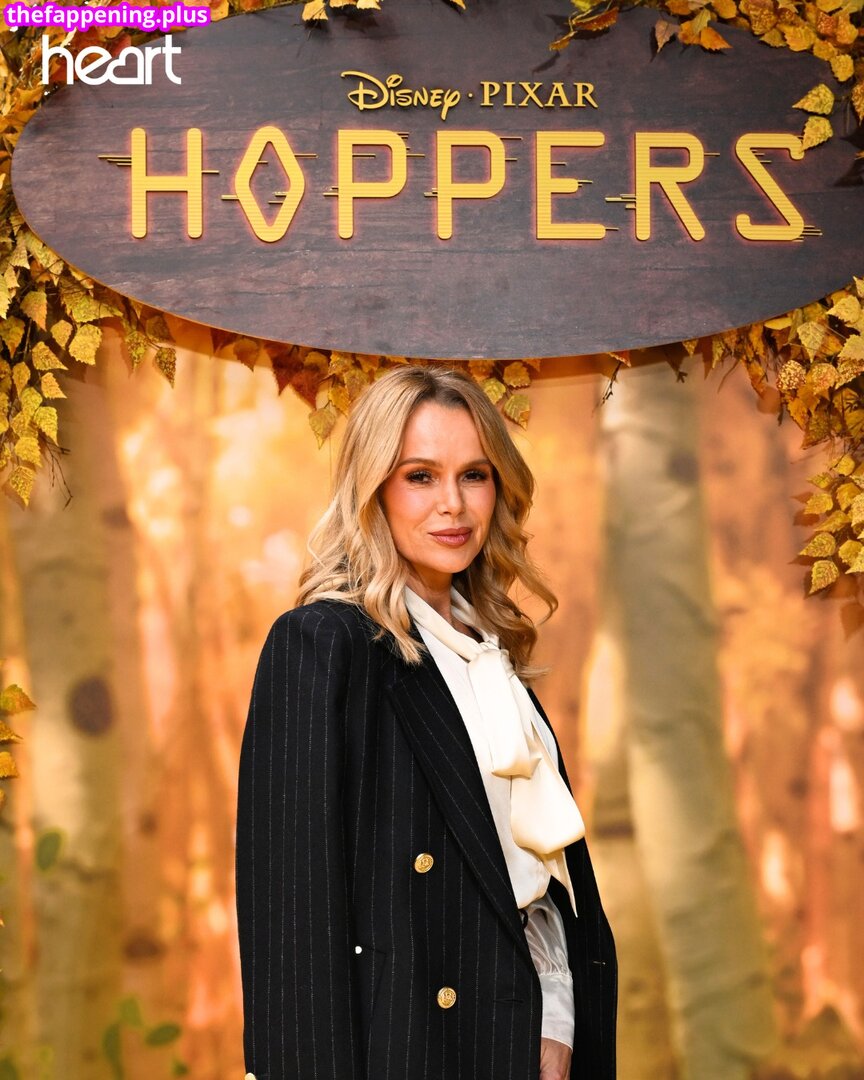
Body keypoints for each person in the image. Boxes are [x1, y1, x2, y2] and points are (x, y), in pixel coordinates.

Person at [235, 366, 617, 1080]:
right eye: (420, 476)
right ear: (372, 488)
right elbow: (293, 928)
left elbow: (534, 885)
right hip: (405, 1053)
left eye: (474, 475)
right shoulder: (324, 644)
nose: (454, 505)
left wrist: (557, 1023)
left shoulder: (490, 657)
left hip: (520, 1049)